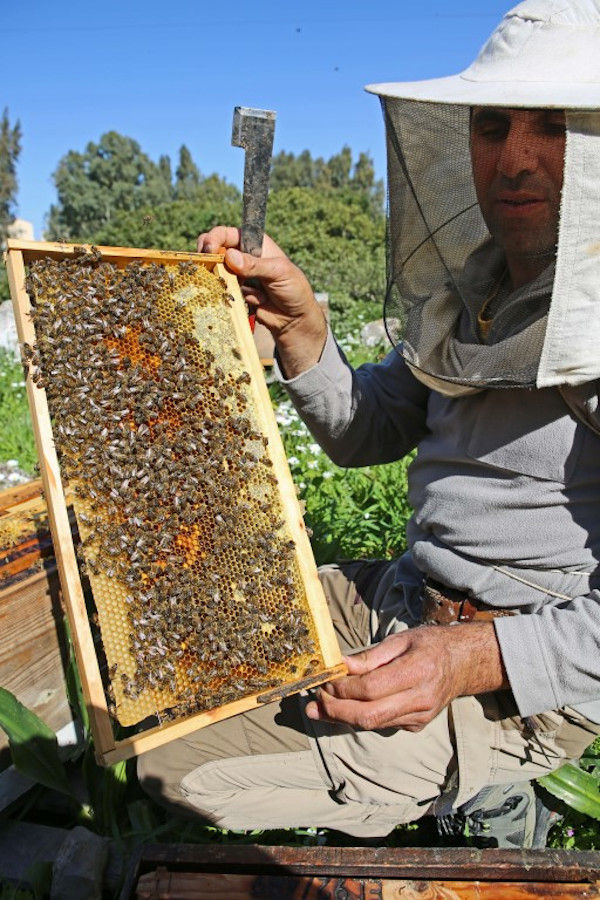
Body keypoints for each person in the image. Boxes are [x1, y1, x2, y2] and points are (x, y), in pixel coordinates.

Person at [138, 0, 600, 847]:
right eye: (493, 125)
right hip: (398, 599)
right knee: (162, 650)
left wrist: (475, 661)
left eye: (558, 125)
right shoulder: (477, 288)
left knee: (180, 771)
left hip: (527, 670)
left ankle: (495, 795)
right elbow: (369, 433)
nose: (515, 160)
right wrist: (302, 325)